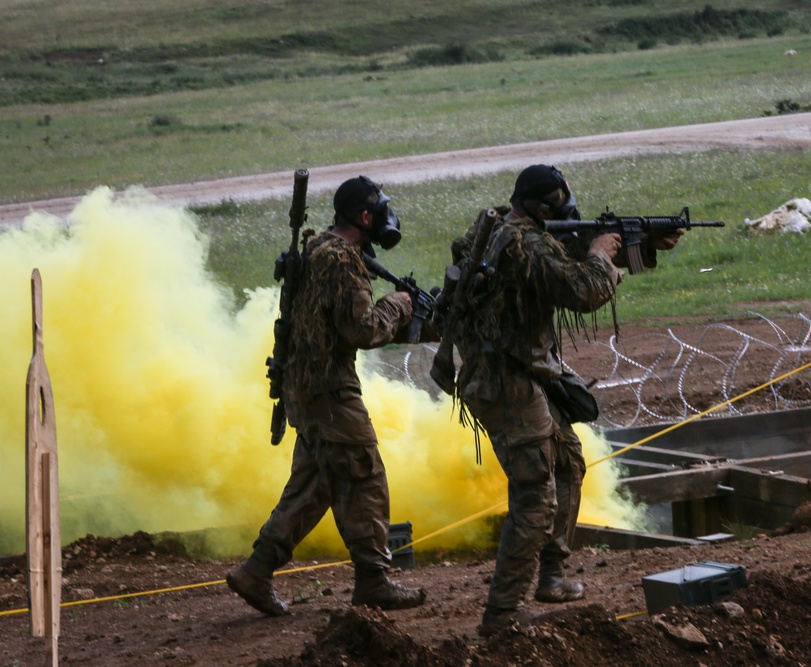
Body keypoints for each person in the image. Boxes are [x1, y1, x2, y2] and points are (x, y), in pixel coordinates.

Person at [442, 164, 683, 636]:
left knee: (568, 461)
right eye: (557, 199)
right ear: (537, 206)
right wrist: (600, 253)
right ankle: (502, 614)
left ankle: (551, 574)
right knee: (534, 495)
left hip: (519, 371)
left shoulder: (499, 226)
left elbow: (555, 253)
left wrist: (641, 242)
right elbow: (581, 289)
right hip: (505, 381)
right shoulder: (522, 243)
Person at [227, 176, 427, 616]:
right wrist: (399, 305)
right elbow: (362, 329)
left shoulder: (321, 248)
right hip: (329, 392)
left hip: (306, 389)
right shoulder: (341, 262)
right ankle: (374, 581)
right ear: (364, 217)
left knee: (312, 486)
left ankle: (256, 573)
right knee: (365, 476)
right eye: (379, 210)